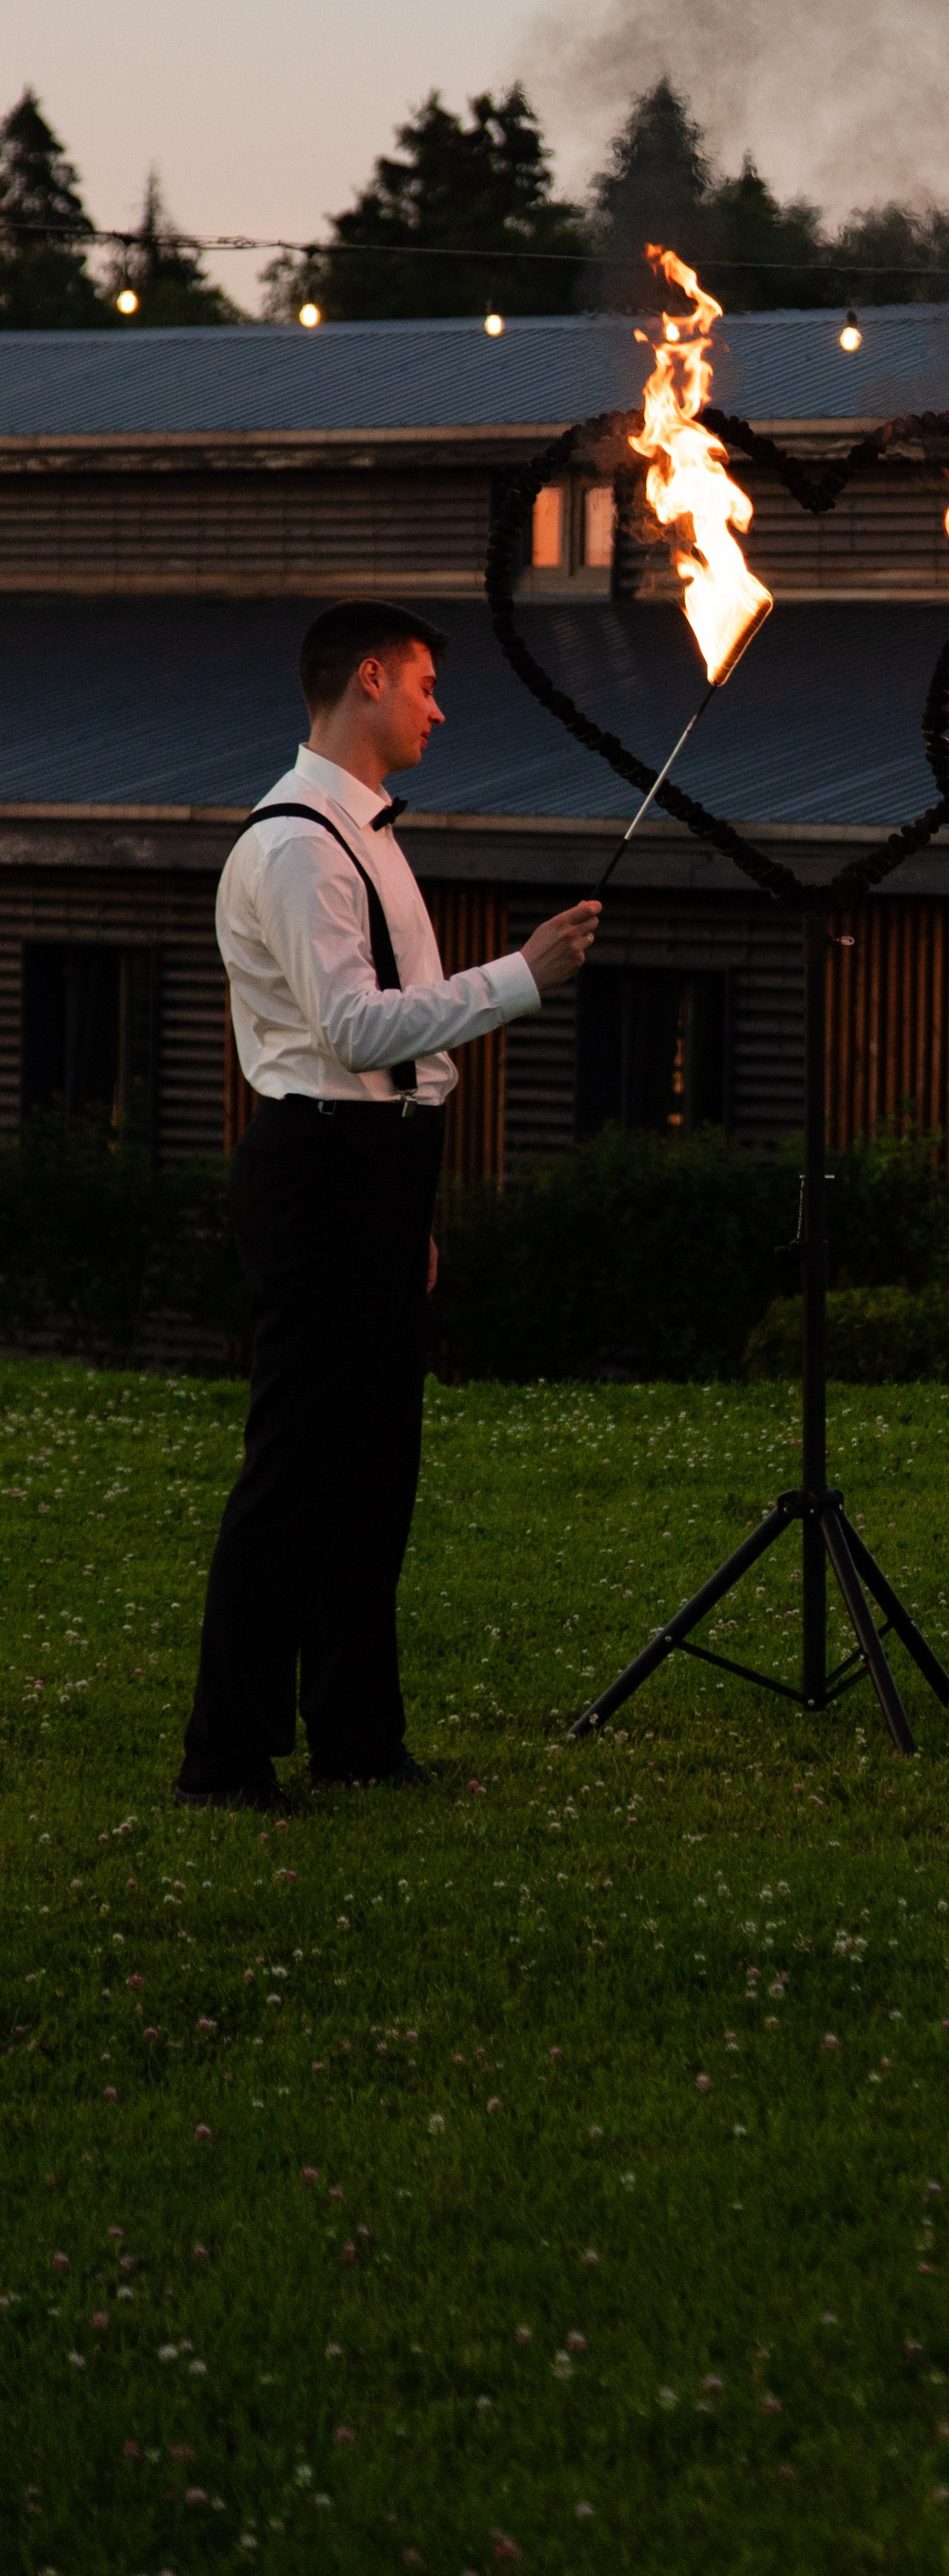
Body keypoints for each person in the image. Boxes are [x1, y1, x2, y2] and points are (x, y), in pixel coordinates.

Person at [175, 600, 601, 1812]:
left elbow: (388, 1057)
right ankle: (226, 1757)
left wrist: (407, 1210)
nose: (438, 710)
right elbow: (353, 1031)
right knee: (299, 1468)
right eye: (423, 684)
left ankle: (356, 1735)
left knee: (373, 1475)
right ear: (367, 680)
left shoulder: (364, 836)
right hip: (319, 1169)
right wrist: (522, 976)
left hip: (371, 1170)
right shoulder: (298, 845)